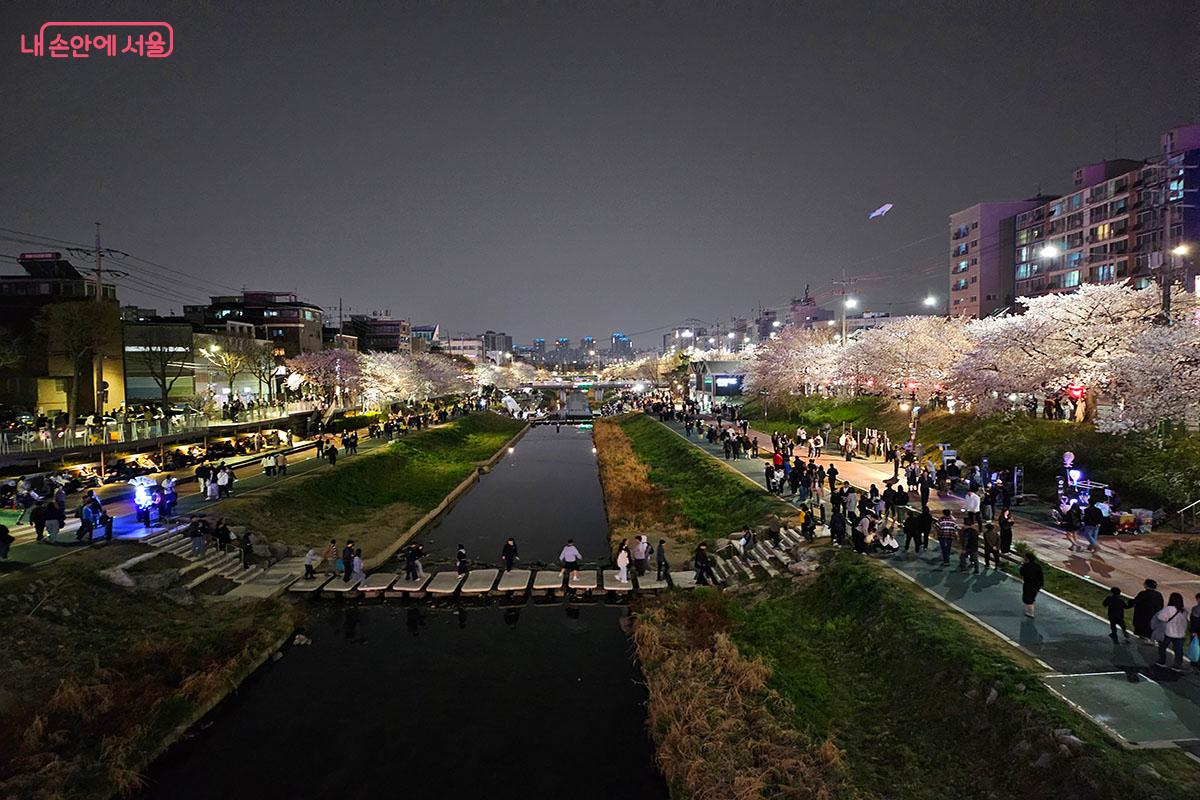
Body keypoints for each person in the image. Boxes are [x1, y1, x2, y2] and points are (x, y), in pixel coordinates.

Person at [1153, 593, 1188, 670]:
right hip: (1180, 634)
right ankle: (1178, 664)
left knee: (1162, 647)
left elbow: (1161, 618)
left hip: (1169, 632)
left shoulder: (1168, 609)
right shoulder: (1184, 610)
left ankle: (1162, 661)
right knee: (1178, 650)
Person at [1019, 552, 1044, 618]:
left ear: (1027, 559)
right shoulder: (1038, 566)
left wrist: (1022, 566)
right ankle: (1030, 610)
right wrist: (1041, 584)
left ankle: (1031, 613)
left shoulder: (1025, 566)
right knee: (1031, 597)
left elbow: (1021, 573)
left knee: (1028, 599)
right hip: (1037, 585)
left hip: (1028, 584)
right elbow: (1041, 576)